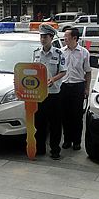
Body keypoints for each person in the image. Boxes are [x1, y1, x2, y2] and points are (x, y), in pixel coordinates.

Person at [33, 24, 66, 159]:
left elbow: (63, 71)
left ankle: (55, 150)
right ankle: (40, 148)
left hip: (54, 94)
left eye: (45, 37)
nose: (42, 39)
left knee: (55, 124)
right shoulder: (36, 53)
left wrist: (53, 79)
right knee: (39, 123)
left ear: (51, 38)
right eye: (41, 37)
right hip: (39, 95)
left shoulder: (59, 53)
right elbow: (32, 70)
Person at [60, 27, 92, 151]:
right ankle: (67, 139)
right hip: (64, 87)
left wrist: (87, 88)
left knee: (77, 116)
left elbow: (88, 72)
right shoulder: (61, 51)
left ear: (74, 38)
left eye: (66, 36)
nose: (64, 38)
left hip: (78, 86)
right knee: (65, 115)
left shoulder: (84, 53)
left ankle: (77, 141)